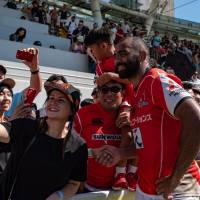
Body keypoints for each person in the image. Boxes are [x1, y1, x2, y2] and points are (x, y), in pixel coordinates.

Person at [95, 37, 200, 199]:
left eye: (123, 54)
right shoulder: (136, 94)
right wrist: (121, 153)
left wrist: (175, 178)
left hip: (179, 190)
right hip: (145, 189)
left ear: (142, 56)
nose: (117, 60)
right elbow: (146, 146)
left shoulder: (155, 80)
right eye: (116, 55)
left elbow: (196, 120)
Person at [0, 81, 88, 200]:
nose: (53, 102)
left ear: (72, 110)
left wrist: (59, 196)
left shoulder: (79, 145)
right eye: (51, 98)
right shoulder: (27, 127)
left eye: (61, 100)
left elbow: (74, 183)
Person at [84, 28, 137, 191]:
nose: (92, 54)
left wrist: (112, 76)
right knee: (127, 134)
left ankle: (128, 174)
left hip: (132, 103)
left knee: (135, 137)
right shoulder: (99, 66)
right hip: (117, 106)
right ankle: (122, 174)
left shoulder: (123, 58)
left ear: (103, 45)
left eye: (93, 50)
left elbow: (135, 79)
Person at [73, 78, 129, 191]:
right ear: (98, 93)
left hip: (121, 190)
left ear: (123, 93)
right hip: (86, 187)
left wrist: (121, 154)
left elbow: (145, 150)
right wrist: (92, 153)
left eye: (115, 89)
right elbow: (69, 149)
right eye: (104, 90)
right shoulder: (82, 114)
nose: (109, 93)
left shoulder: (132, 116)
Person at [4, 47, 42, 117]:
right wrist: (11, 120)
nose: (5, 97)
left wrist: (34, 69)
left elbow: (35, 89)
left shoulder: (10, 99)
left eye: (1, 76)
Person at [0, 78, 15, 175]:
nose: (6, 98)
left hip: (6, 181)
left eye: (9, 95)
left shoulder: (11, 122)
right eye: (1, 94)